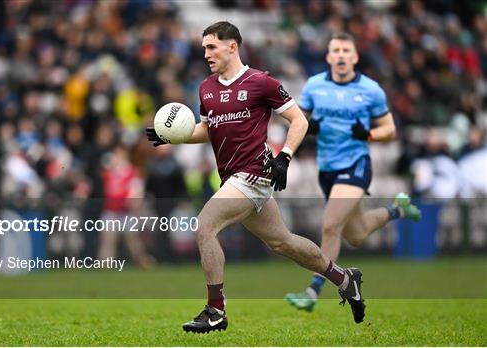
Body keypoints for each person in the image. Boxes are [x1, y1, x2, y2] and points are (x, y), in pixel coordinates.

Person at [146, 22, 366, 333]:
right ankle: (345, 279)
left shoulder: (260, 82)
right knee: (283, 243)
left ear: (232, 46)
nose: (206, 53)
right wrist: (173, 136)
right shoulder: (206, 87)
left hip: (255, 173)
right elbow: (208, 129)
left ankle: (215, 311)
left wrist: (285, 156)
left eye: (212, 47)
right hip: (233, 179)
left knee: (205, 225)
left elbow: (299, 121)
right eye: (204, 48)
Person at [285, 32, 422, 312]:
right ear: (329, 57)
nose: (341, 55)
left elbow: (390, 129)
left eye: (347, 51)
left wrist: (369, 135)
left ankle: (313, 291)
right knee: (356, 234)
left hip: (356, 164)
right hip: (327, 170)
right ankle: (398, 210)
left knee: (330, 226)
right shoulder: (314, 86)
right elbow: (300, 120)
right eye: (336, 50)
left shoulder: (371, 89)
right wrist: (311, 129)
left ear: (355, 57)